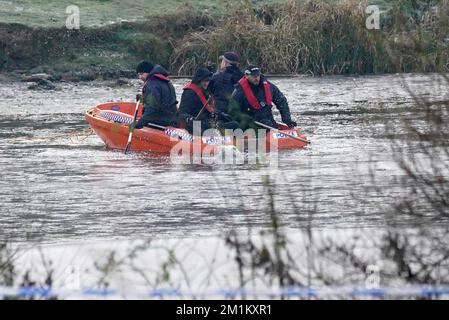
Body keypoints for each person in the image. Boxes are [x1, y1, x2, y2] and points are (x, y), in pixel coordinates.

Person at [230, 65, 297, 130]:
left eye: (258, 75)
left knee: (267, 124)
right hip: (250, 125)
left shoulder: (269, 87)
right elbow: (233, 110)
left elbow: (282, 102)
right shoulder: (239, 91)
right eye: (253, 76)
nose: (256, 78)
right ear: (247, 76)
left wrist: (287, 120)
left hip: (268, 122)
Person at [178, 66, 239, 134]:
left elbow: (210, 109)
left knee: (234, 124)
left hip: (206, 123)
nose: (207, 83)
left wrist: (221, 115)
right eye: (205, 81)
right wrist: (190, 119)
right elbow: (182, 114)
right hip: (194, 127)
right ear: (199, 80)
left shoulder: (205, 92)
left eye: (208, 81)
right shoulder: (189, 93)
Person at [134, 60, 178, 129]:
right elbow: (162, 101)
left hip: (161, 122)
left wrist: (140, 123)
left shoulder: (152, 84)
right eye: (138, 75)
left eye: (141, 74)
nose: (140, 77)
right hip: (172, 120)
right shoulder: (166, 81)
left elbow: (152, 108)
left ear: (148, 72)